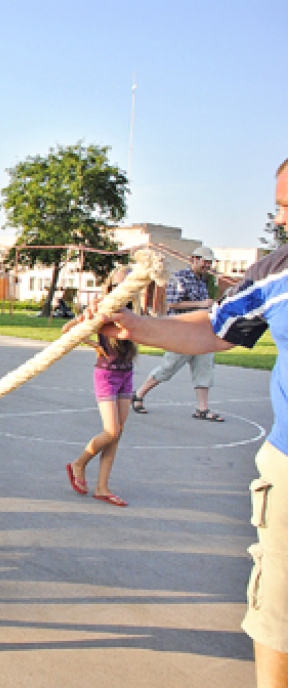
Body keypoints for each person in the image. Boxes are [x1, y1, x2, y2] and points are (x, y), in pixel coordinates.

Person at [88, 159, 288, 688]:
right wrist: (134, 325)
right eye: (280, 208)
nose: (281, 220)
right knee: (278, 613)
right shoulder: (276, 272)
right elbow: (213, 329)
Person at [64, 265, 137, 507]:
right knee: (111, 431)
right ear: (110, 286)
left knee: (117, 434)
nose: (122, 289)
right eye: (117, 284)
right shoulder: (101, 309)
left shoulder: (132, 311)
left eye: (127, 284)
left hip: (126, 372)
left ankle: (102, 487)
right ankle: (79, 463)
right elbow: (67, 329)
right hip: (107, 374)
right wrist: (94, 344)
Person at [131, 246, 222, 421]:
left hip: (201, 332)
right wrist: (201, 304)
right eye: (205, 262)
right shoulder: (179, 277)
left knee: (204, 368)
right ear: (194, 259)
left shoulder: (202, 280)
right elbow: (172, 304)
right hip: (182, 331)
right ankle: (139, 394)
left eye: (210, 262)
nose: (207, 265)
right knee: (169, 366)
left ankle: (202, 409)